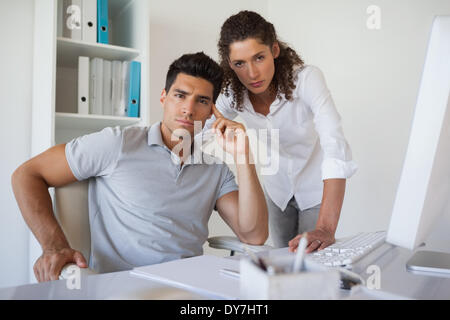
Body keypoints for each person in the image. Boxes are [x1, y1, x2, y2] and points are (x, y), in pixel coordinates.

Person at [11, 52, 268, 282]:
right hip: (124, 287)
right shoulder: (117, 143)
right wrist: (54, 246)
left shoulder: (215, 169)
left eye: (201, 101)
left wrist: (243, 154)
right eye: (180, 95)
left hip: (189, 288)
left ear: (212, 113)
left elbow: (254, 235)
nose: (188, 109)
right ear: (163, 97)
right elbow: (27, 174)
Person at [206, 11, 357, 253]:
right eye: (239, 64)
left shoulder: (307, 80)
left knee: (311, 265)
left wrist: (326, 228)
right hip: (277, 192)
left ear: (274, 50)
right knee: (281, 263)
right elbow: (199, 130)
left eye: (259, 57)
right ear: (229, 64)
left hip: (315, 188)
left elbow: (335, 147)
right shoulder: (233, 94)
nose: (252, 74)